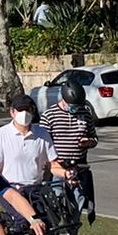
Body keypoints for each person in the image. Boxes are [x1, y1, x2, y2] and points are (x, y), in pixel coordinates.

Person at [41, 83, 100, 222]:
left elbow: (94, 138)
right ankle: (54, 232)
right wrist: (52, 162)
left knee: (77, 203)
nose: (75, 109)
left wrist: (89, 142)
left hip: (78, 168)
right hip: (57, 168)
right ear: (64, 100)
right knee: (56, 203)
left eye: (78, 106)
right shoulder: (49, 115)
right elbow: (42, 144)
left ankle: (72, 233)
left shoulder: (85, 114)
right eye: (72, 106)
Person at [0, 95, 60, 191]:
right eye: (20, 110)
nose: (24, 113)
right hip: (11, 189)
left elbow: (53, 164)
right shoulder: (0, 135)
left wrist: (67, 174)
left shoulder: (42, 133)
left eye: (27, 110)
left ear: (32, 112)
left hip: (36, 189)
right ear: (12, 112)